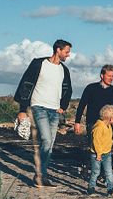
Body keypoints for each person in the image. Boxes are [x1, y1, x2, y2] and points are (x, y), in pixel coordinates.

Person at [14, 39, 73, 187]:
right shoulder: (38, 63)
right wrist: (22, 110)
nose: (68, 55)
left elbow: (68, 90)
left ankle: (42, 176)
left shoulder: (64, 70)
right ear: (58, 50)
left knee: (50, 144)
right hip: (38, 106)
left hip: (55, 110)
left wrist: (63, 106)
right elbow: (25, 84)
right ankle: (40, 175)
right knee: (46, 140)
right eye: (67, 51)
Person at [74, 64, 113, 135]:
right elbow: (82, 105)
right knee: (93, 145)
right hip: (92, 123)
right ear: (102, 76)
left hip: (108, 123)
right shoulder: (91, 88)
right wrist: (77, 122)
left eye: (112, 76)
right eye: (109, 76)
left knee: (108, 145)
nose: (111, 78)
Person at [87, 104, 113, 196]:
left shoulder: (108, 126)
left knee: (108, 172)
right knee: (95, 171)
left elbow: (109, 138)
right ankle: (91, 187)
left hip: (107, 153)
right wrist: (99, 154)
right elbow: (96, 141)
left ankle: (111, 188)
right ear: (110, 118)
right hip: (97, 154)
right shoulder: (99, 127)